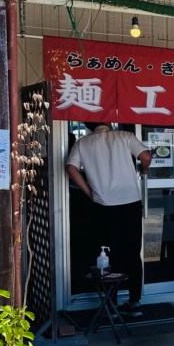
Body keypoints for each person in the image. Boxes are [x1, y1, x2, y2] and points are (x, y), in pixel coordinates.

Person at [66, 123, 151, 316]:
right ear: (110, 123)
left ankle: (110, 304)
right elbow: (145, 156)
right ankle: (134, 301)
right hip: (130, 202)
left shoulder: (83, 142)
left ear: (89, 126)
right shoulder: (124, 136)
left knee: (107, 253)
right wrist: (144, 170)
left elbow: (71, 168)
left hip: (103, 205)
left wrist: (89, 191)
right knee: (132, 252)